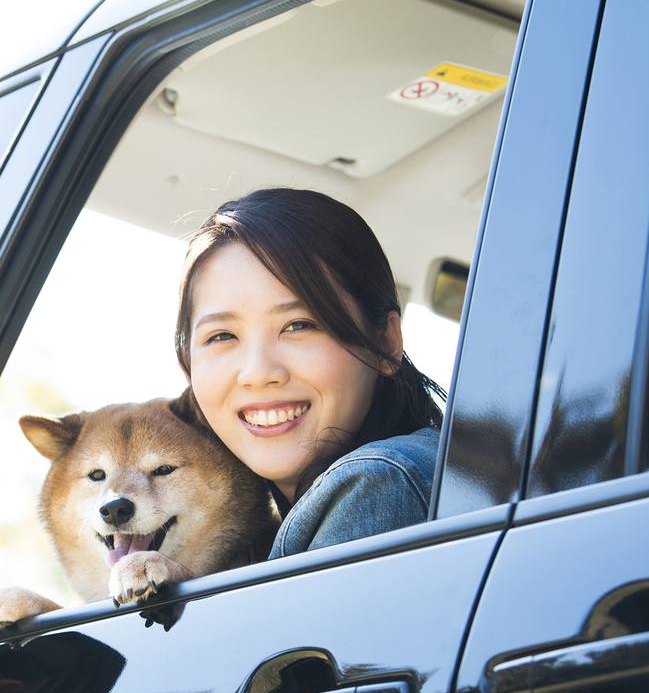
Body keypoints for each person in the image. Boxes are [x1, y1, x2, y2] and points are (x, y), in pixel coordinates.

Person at [175, 187, 446, 558]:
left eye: (299, 325)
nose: (257, 372)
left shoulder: (378, 484)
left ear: (385, 342)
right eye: (222, 335)